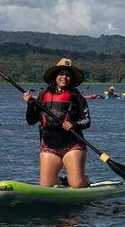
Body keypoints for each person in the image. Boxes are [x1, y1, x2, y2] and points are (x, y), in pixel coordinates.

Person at [23, 58, 91, 188]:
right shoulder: (43, 94)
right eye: (61, 74)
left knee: (77, 184)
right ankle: (63, 181)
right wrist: (30, 104)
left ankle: (83, 180)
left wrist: (74, 124)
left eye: (68, 75)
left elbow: (87, 121)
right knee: (46, 185)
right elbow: (31, 121)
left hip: (72, 144)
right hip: (49, 145)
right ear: (55, 76)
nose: (64, 77)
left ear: (71, 78)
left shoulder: (76, 95)